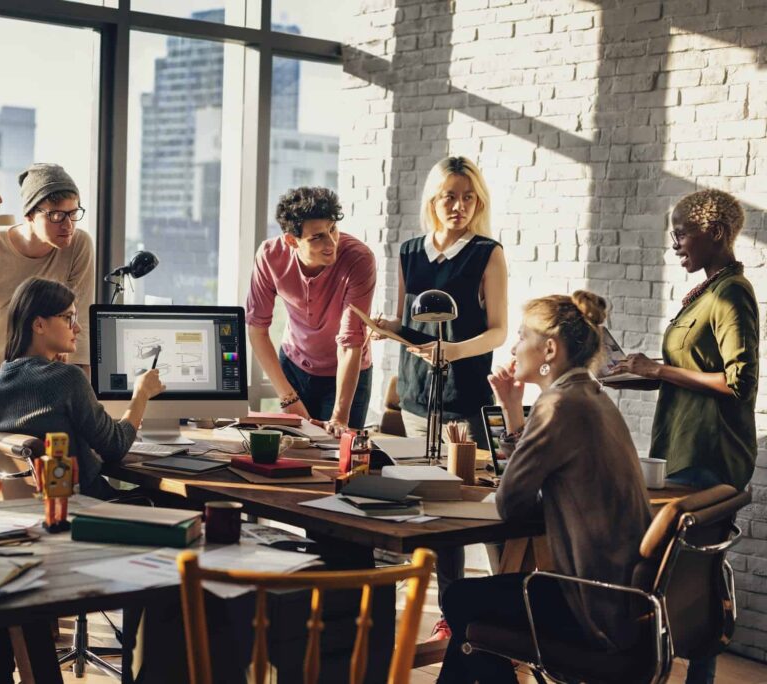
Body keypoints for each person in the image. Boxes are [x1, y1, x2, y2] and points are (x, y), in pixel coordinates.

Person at [438, 291, 652, 683]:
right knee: (470, 623)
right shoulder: (592, 397)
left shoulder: (557, 406)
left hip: (590, 604)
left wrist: (517, 419)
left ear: (549, 348)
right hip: (622, 600)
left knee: (460, 599)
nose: (515, 346)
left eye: (521, 336)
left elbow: (510, 503)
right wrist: (511, 411)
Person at [609, 189, 758, 684]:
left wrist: (660, 370)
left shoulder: (732, 294)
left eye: (681, 232)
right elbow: (688, 370)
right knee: (680, 577)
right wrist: (633, 373)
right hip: (680, 450)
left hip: (710, 456)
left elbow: (738, 383)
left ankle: (698, 677)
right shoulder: (706, 292)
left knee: (690, 579)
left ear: (714, 233)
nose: (674, 244)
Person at [372, 156, 508, 642]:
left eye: (469, 197)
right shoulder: (410, 251)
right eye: (450, 196)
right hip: (415, 393)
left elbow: (498, 332)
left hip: (464, 395)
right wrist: (389, 330)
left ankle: (494, 613)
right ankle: (452, 613)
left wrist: (451, 350)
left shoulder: (487, 253)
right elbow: (411, 323)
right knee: (430, 507)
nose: (459, 206)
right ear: (433, 199)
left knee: (466, 507)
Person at [0, 277, 165, 499]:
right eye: (69, 318)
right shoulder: (68, 378)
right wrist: (141, 393)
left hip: (35, 512)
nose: (78, 328)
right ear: (39, 324)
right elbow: (115, 447)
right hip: (89, 507)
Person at [245, 186, 376, 433]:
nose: (331, 243)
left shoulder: (360, 260)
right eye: (317, 237)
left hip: (346, 373)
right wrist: (288, 398)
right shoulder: (270, 256)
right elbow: (257, 330)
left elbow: (350, 343)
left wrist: (339, 417)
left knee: (339, 456)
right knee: (294, 451)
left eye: (332, 230)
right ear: (292, 240)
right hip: (294, 364)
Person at [0, 163, 95, 378]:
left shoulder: (79, 244)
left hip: (44, 381)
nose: (68, 226)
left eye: (73, 213)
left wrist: (82, 395)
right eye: (56, 216)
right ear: (29, 214)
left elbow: (80, 322)